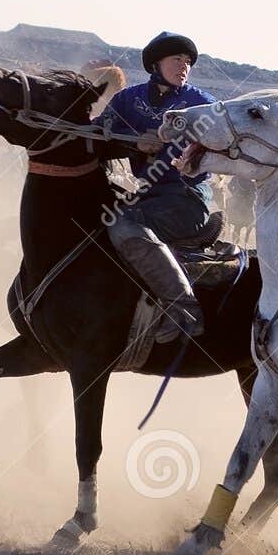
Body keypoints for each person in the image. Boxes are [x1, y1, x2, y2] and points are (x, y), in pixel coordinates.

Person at [100, 31, 217, 341]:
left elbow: (222, 144)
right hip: (148, 194)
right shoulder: (128, 99)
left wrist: (188, 151)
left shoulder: (202, 104)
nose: (184, 66)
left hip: (188, 197)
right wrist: (134, 145)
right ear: (156, 64)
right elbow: (98, 136)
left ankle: (184, 309)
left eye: (189, 62)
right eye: (177, 59)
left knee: (124, 224)